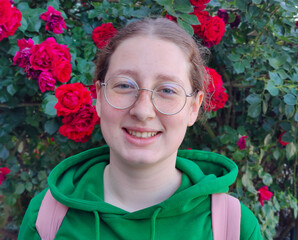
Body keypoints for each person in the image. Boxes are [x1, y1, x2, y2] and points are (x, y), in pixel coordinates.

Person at [18, 18, 262, 239]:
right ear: (100, 97)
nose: (142, 111)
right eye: (124, 85)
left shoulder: (234, 228)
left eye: (167, 90)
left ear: (193, 108)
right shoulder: (46, 219)